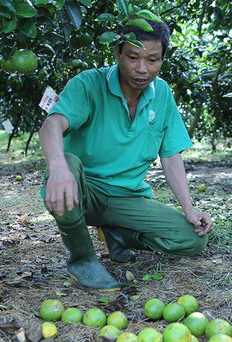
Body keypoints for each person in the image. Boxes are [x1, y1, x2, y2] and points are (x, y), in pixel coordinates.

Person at [38, 19, 212, 292]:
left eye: (152, 60)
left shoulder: (162, 94)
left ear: (162, 59)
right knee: (67, 164)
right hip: (84, 191)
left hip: (127, 196)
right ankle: (82, 259)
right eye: (133, 57)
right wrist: (58, 166)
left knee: (193, 239)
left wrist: (189, 209)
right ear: (117, 53)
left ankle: (116, 234)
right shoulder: (89, 84)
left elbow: (170, 156)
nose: (142, 69)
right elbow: (52, 125)